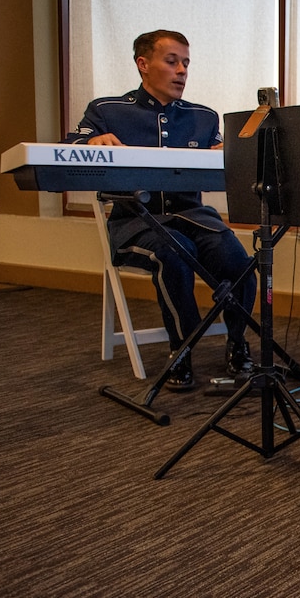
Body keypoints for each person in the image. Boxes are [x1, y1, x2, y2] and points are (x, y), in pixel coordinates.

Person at [64, 30, 256, 391]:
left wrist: (224, 155)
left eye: (186, 63)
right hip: (135, 222)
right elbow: (68, 144)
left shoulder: (204, 117)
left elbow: (227, 163)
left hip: (195, 218)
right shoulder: (107, 110)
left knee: (240, 262)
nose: (182, 70)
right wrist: (92, 140)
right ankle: (181, 349)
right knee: (175, 252)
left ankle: (237, 342)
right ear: (143, 64)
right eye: (172, 61)